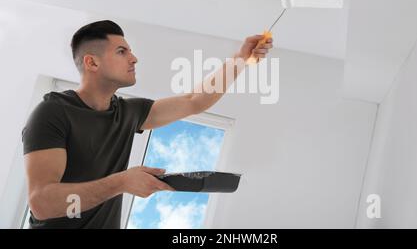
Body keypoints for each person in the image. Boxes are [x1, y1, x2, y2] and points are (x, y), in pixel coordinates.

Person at [22, 20, 273, 228]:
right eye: (122, 51)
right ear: (92, 62)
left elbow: (195, 101)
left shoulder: (128, 112)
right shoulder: (53, 112)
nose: (134, 58)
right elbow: (42, 204)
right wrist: (121, 182)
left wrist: (240, 59)